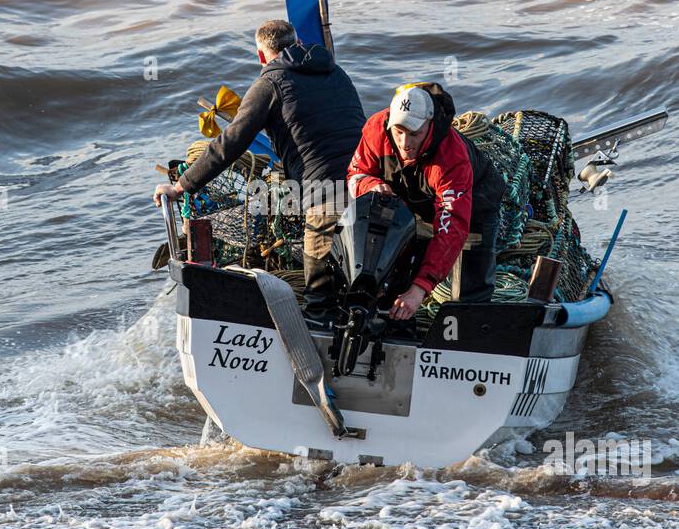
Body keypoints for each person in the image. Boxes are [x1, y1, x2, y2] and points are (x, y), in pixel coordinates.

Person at [153, 20, 365, 323]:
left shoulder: (270, 83)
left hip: (324, 189)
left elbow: (230, 144)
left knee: (319, 287)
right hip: (367, 180)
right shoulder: (335, 72)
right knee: (356, 268)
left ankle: (320, 341)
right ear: (296, 42)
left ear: (261, 55)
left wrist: (181, 186)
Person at [346, 82, 505, 320]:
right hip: (412, 196)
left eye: (414, 133)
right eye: (399, 131)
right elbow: (354, 175)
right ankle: (387, 315)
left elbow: (452, 227)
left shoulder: (451, 157)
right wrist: (370, 185)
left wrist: (420, 288)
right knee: (393, 245)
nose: (404, 142)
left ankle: (469, 327)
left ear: (429, 126)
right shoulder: (377, 128)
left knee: (470, 286)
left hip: (476, 202)